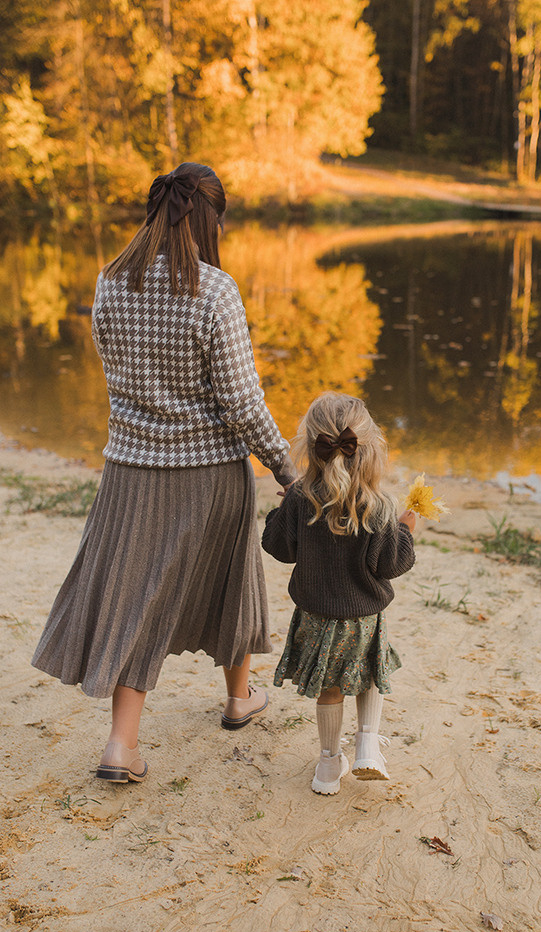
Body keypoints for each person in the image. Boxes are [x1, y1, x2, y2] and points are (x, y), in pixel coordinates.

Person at [32, 162, 296, 782]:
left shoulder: (109, 283)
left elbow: (114, 370)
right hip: (208, 471)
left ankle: (128, 742)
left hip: (129, 469)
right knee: (231, 578)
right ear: (210, 220)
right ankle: (233, 701)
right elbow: (241, 403)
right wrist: (286, 468)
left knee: (136, 595)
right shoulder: (215, 291)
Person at [261, 392, 416, 795]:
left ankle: (329, 766)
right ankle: (367, 746)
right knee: (369, 676)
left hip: (315, 618)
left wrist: (283, 510)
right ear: (369, 449)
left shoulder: (300, 498)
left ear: (311, 445)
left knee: (330, 689)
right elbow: (392, 564)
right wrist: (405, 529)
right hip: (363, 619)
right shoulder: (379, 506)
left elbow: (278, 547)